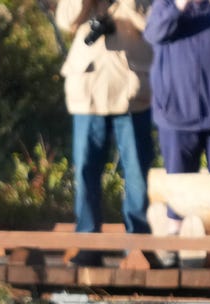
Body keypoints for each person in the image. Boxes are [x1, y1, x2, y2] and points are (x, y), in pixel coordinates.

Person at [144, 0, 210, 260]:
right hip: (176, 115)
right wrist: (179, 6)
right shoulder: (166, 3)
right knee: (178, 188)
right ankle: (174, 248)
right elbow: (154, 32)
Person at [57, 0, 156, 267]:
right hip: (88, 91)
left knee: (137, 171)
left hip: (133, 91)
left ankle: (139, 244)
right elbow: (66, 21)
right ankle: (88, 242)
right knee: (86, 170)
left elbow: (155, 26)